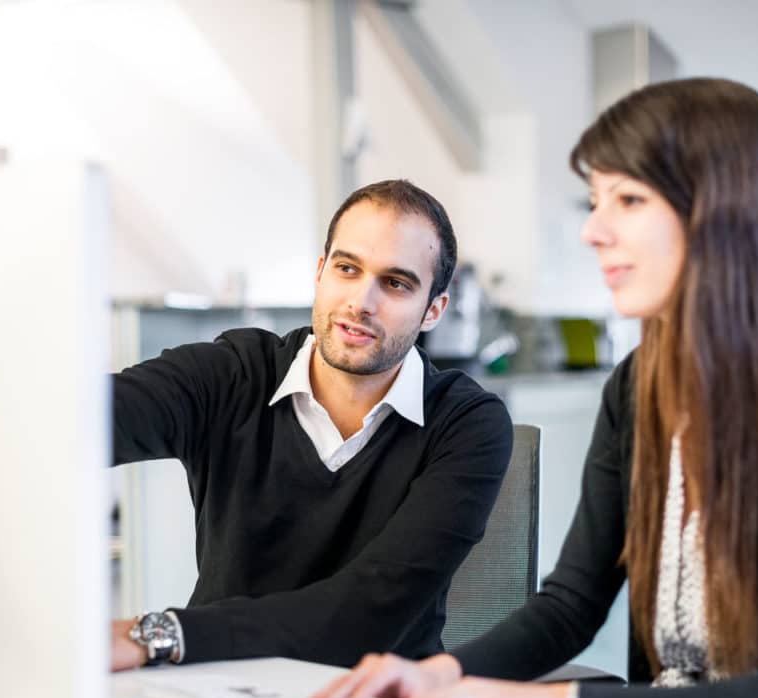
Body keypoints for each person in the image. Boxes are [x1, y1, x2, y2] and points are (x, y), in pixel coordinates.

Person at [305, 78, 758, 698]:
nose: (592, 229)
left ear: (724, 213)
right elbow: (572, 603)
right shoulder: (641, 384)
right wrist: (438, 674)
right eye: (595, 200)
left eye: (629, 200)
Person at [110, 179, 513, 671]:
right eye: (347, 268)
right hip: (218, 689)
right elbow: (83, 422)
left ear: (434, 309)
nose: (361, 301)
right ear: (321, 273)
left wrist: (160, 635)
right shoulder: (229, 376)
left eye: (396, 283)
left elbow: (364, 612)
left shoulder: (467, 424)